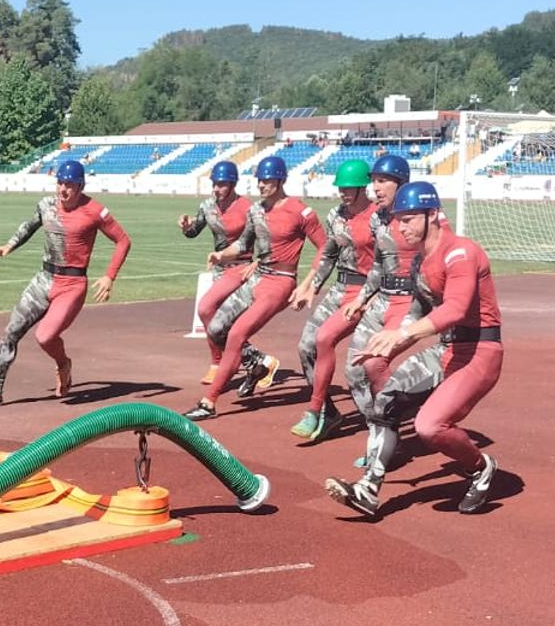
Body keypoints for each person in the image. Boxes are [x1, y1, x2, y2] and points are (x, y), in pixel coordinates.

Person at [339, 179, 505, 516]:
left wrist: (403, 336)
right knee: (384, 402)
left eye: (410, 219)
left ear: (433, 215)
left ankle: (481, 467)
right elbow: (418, 310)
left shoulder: (461, 252)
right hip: (446, 350)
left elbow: (456, 309)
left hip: (479, 352)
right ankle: (368, 488)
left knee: (429, 427)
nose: (402, 227)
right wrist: (388, 342)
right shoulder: (419, 262)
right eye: (398, 219)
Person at [0, 159, 132, 409]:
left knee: (45, 336)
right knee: (11, 332)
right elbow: (30, 225)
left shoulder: (95, 211)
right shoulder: (46, 204)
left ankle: (63, 363)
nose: (63, 190)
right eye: (59, 183)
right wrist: (9, 245)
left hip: (72, 284)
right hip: (44, 279)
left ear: (80, 186)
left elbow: (123, 241)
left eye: (69, 184)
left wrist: (110, 275)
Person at [185, 155, 324, 421]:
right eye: (259, 180)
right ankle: (257, 367)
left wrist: (309, 284)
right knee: (215, 328)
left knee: (237, 333)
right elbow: (243, 245)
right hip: (257, 278)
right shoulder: (256, 211)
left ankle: (209, 402)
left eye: (267, 180)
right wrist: (222, 255)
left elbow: (325, 248)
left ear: (281, 180)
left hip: (280, 282)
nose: (261, 184)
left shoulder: (300, 211)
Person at [288, 159, 382, 441]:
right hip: (340, 288)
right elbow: (329, 253)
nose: (343, 192)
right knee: (306, 347)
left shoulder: (379, 217)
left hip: (367, 291)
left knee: (334, 346)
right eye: (341, 187)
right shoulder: (335, 215)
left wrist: (371, 296)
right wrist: (312, 286)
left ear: (363, 187)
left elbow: (387, 261)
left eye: (350, 187)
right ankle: (328, 412)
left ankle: (374, 425)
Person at [179, 161, 259, 386]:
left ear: (233, 184)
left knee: (206, 309)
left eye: (222, 184)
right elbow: (195, 231)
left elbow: (264, 237)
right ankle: (246, 359)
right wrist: (186, 227)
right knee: (220, 321)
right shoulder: (207, 206)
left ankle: (221, 363)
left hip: (240, 268)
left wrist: (258, 261)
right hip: (219, 270)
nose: (216, 188)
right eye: (214, 183)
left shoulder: (248, 208)